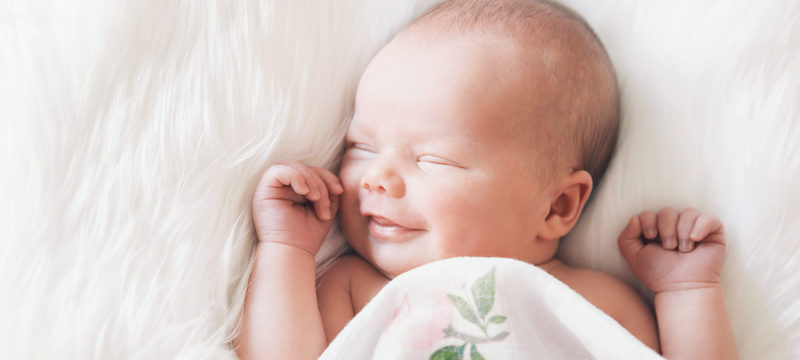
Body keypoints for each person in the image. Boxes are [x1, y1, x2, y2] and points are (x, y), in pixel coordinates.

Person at [234, 0, 737, 358]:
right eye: (361, 148)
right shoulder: (355, 289)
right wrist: (286, 250)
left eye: (434, 159)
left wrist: (686, 291)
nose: (378, 178)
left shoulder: (592, 301)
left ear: (557, 207)